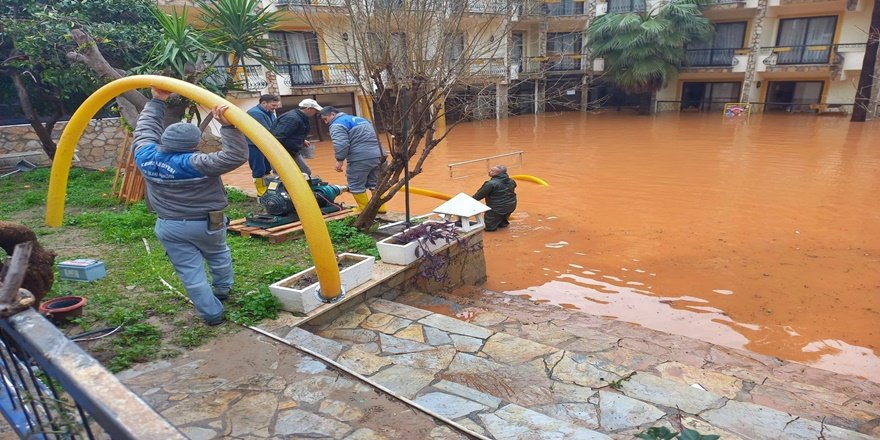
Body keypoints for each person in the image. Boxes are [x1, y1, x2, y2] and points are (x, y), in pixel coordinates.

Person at [133, 87, 248, 326]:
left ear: (164, 139)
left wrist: (157, 100)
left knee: (190, 272)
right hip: (207, 223)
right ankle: (223, 289)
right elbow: (235, 156)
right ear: (195, 143)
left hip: (170, 225)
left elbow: (144, 129)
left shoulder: (144, 155)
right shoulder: (196, 163)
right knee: (218, 254)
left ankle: (212, 314)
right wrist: (228, 126)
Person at [319, 106, 387, 213]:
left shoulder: (337, 124)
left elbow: (341, 144)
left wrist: (340, 160)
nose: (326, 122)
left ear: (332, 114)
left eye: (325, 119)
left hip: (360, 158)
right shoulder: (361, 119)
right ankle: (381, 209)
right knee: (376, 183)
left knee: (355, 185)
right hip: (380, 155)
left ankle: (364, 210)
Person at [270, 98, 322, 177]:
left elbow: (291, 132)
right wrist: (279, 154)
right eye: (315, 110)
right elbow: (278, 136)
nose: (316, 113)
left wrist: (302, 140)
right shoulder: (292, 118)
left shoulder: (300, 116)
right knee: (286, 174)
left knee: (305, 172)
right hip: (284, 151)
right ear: (308, 109)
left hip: (292, 150)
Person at [246, 94, 281, 196]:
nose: (275, 108)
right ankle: (261, 192)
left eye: (276, 105)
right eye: (273, 105)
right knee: (258, 168)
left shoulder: (269, 112)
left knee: (266, 167)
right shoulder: (255, 113)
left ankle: (268, 189)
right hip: (253, 145)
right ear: (263, 103)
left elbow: (275, 126)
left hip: (264, 144)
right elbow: (267, 131)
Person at [472, 165, 517, 232]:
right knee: (503, 224)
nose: (489, 171)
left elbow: (478, 196)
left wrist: (468, 201)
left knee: (489, 228)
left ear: (498, 173)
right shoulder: (511, 181)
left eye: (492, 171)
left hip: (496, 209)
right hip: (511, 206)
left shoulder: (490, 184)